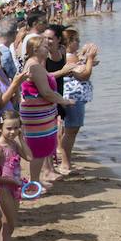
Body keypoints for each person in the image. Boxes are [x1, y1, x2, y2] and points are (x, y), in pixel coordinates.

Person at [18, 37, 76, 188]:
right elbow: (46, 92)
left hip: (40, 113)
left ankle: (37, 179)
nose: (48, 47)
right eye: (44, 46)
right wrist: (65, 101)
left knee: (41, 147)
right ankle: (34, 182)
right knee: (39, 148)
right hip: (37, 115)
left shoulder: (36, 64)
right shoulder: (35, 66)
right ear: (35, 50)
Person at [0, 113, 31, 241]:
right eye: (9, 128)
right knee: (8, 226)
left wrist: (21, 137)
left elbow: (29, 156)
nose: (13, 131)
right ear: (0, 128)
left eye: (16, 128)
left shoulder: (13, 144)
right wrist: (10, 181)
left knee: (7, 225)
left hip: (14, 188)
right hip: (3, 189)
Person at [57, 28, 98, 177]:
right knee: (71, 131)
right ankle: (65, 164)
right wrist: (90, 58)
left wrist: (85, 57)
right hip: (74, 98)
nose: (79, 43)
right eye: (76, 41)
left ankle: (65, 161)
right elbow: (84, 75)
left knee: (68, 129)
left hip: (71, 97)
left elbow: (80, 67)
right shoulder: (69, 58)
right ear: (69, 42)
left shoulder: (68, 56)